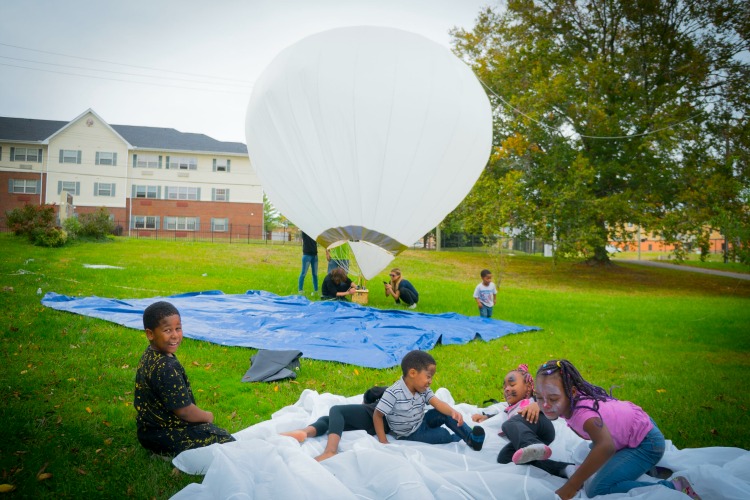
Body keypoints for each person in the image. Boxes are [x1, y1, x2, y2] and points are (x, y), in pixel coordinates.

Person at [535, 359, 701, 499]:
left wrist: (572, 485)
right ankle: (646, 468)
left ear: (571, 392)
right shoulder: (569, 401)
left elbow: (606, 447)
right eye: (539, 397)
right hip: (637, 428)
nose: (545, 405)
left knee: (597, 489)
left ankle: (674, 486)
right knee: (589, 455)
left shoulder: (583, 416)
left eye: (553, 398)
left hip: (647, 443)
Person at [134, 301, 235, 454]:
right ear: (150, 334)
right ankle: (174, 456)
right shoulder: (167, 368)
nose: (175, 335)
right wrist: (207, 416)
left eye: (178, 328)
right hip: (165, 435)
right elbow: (184, 411)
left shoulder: (150, 354)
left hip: (147, 431)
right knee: (225, 440)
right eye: (167, 330)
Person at [471, 364, 572, 478]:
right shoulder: (510, 409)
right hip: (531, 438)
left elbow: (550, 400)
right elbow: (501, 416)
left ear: (528, 387)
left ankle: (533, 445)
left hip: (541, 426)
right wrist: (486, 417)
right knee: (505, 457)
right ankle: (564, 468)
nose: (507, 389)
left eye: (512, 384)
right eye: (504, 387)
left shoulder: (532, 400)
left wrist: (537, 405)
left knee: (508, 424)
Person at [373, 350, 485, 450]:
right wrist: (383, 441)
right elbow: (377, 415)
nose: (430, 381)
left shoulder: (423, 389)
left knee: (446, 413)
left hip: (422, 420)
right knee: (442, 434)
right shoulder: (393, 393)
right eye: (428, 376)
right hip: (409, 434)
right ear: (412, 373)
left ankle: (471, 438)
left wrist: (452, 412)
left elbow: (438, 403)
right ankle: (456, 437)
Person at [281, 386, 388, 461]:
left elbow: (373, 392)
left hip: (374, 416)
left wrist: (364, 404)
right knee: (331, 420)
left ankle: (330, 451)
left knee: (336, 410)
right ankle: (304, 432)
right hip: (380, 427)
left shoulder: (391, 392)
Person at [297, 232, 319, 296]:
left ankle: (316, 290)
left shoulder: (314, 232)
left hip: (315, 256)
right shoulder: (305, 232)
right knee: (303, 273)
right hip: (307, 255)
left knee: (315, 274)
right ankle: (300, 290)